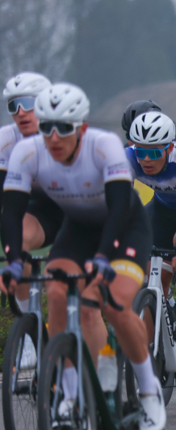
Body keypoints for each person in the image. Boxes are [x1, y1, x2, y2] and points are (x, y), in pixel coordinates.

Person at [0, 83, 164, 430]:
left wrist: (104, 257)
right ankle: (71, 393)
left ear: (82, 128)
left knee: (113, 305)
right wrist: (14, 261)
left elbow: (120, 207)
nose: (54, 137)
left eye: (64, 128)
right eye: (47, 127)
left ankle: (149, 390)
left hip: (125, 229)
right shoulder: (27, 153)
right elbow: (11, 214)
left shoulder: (103, 147)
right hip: (78, 231)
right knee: (57, 293)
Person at [0, 71, 62, 351]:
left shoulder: (67, 135)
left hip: (79, 211)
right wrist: (13, 259)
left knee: (72, 289)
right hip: (41, 211)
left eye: (27, 103)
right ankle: (29, 333)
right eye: (13, 105)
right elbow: (9, 207)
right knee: (18, 238)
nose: (20, 112)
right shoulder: (6, 141)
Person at [126, 110, 176, 252]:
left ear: (170, 148)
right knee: (149, 261)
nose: (146, 159)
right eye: (140, 152)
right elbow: (119, 200)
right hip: (164, 209)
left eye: (154, 153)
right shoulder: (128, 157)